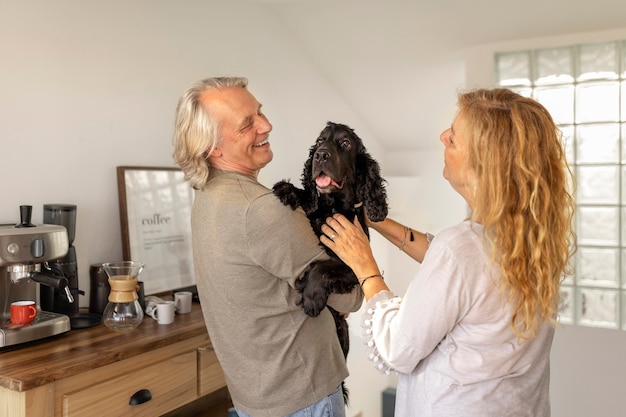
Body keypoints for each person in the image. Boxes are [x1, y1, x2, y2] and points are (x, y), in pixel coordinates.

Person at [320, 88, 575, 417]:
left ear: (483, 163)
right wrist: (378, 221)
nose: (442, 137)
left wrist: (365, 266)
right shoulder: (533, 235)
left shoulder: (461, 248)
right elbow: (471, 274)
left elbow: (398, 349)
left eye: (453, 138)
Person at [172, 76, 363, 417]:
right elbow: (350, 298)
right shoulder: (262, 208)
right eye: (248, 124)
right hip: (304, 397)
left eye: (259, 112)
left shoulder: (208, 196)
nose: (266, 125)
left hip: (256, 397)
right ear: (213, 148)